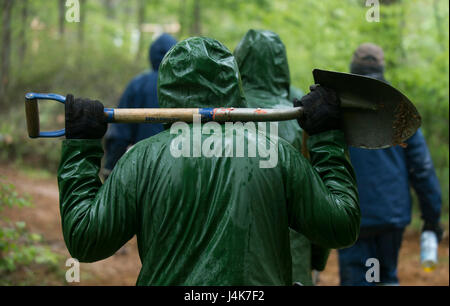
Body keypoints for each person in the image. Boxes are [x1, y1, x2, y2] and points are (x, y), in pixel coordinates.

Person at [58, 37, 360, 285]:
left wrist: (82, 146)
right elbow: (341, 227)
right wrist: (326, 138)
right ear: (234, 86)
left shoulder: (142, 159)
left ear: (166, 91)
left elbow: (86, 239)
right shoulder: (276, 154)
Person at [338, 43, 443, 286]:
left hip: (354, 217)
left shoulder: (338, 110)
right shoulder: (400, 110)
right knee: (387, 278)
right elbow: (422, 169)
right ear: (382, 70)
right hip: (391, 217)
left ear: (353, 69)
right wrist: (431, 217)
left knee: (358, 279)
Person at [234, 29, 330, 285]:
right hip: (290, 257)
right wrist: (317, 258)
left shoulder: (223, 110)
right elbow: (321, 191)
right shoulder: (302, 111)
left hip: (228, 259)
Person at [103, 33, 177, 177]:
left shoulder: (137, 85)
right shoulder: (187, 86)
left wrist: (109, 169)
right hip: (180, 174)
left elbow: (120, 134)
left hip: (143, 173)